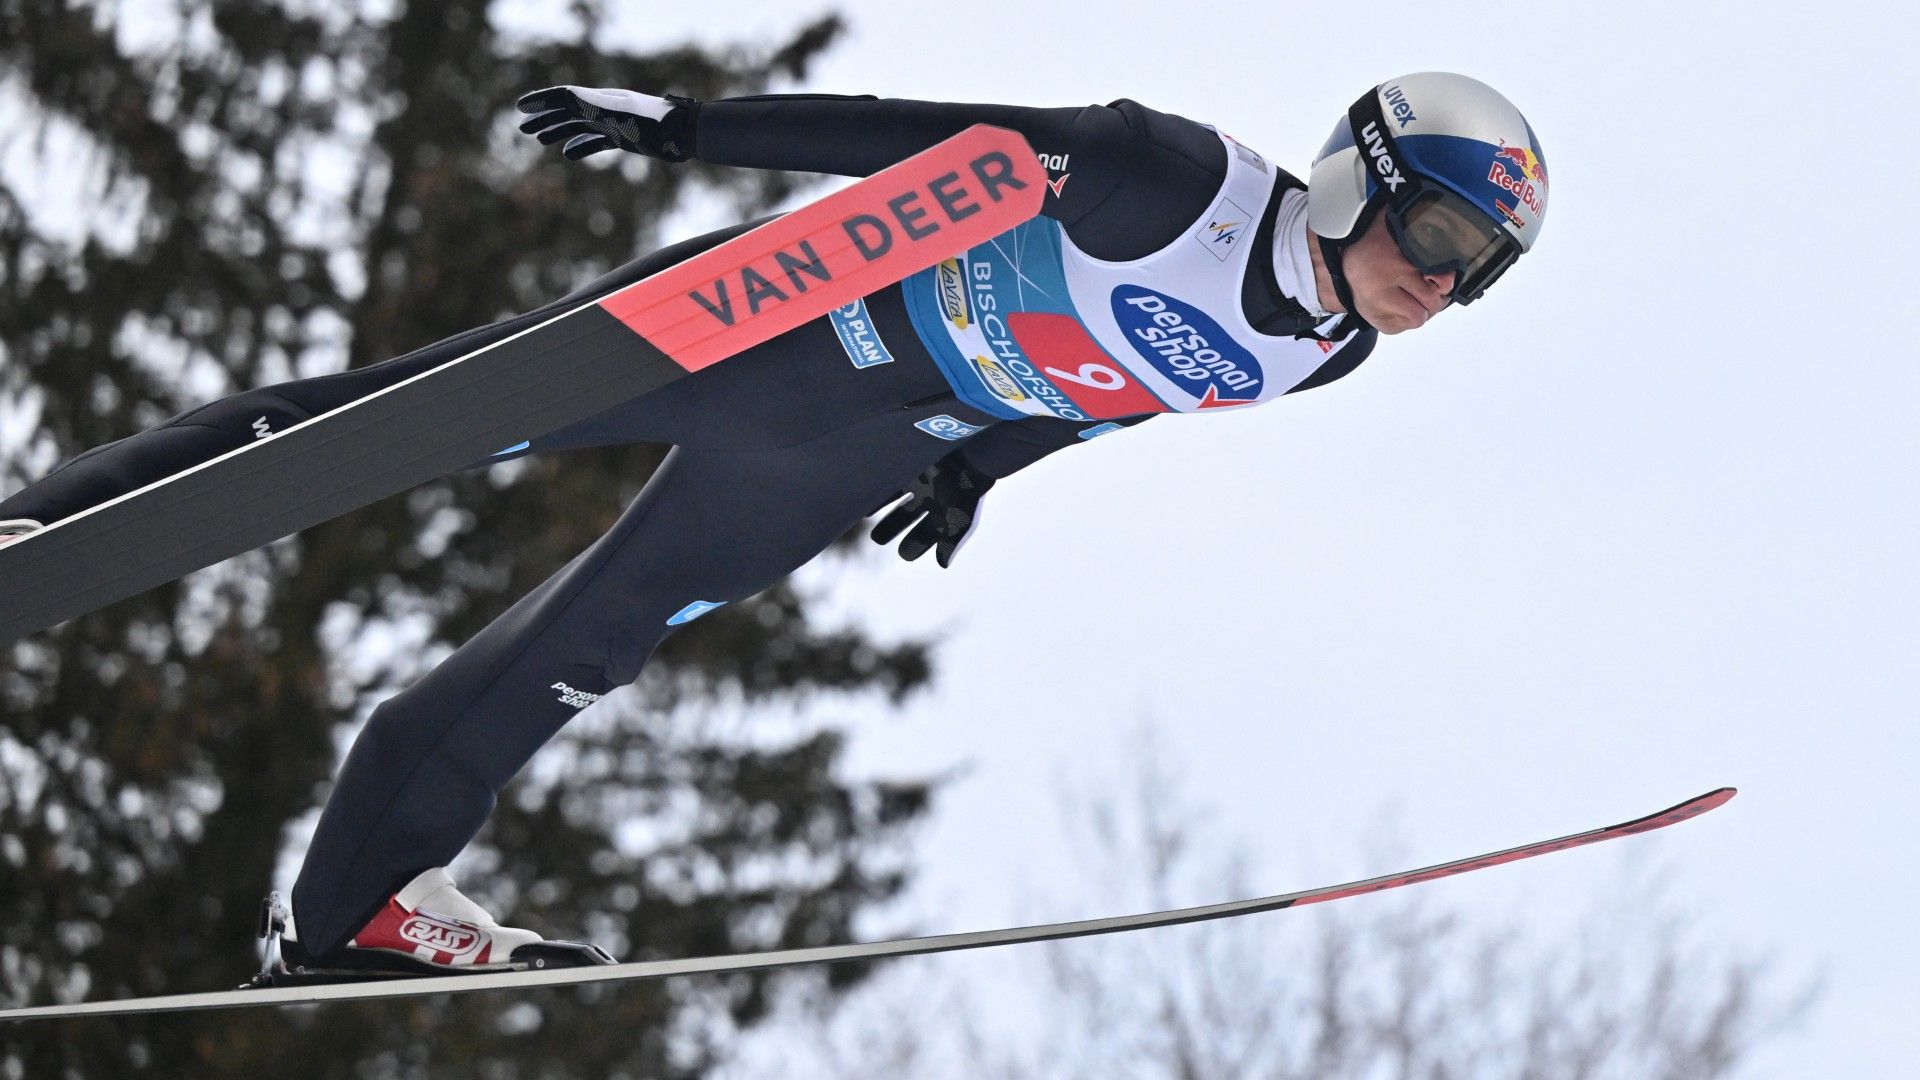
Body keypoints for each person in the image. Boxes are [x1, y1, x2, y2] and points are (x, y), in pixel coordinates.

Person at [0, 72, 1549, 977]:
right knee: (379, 416)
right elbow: (920, 138)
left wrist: (980, 467)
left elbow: (1123, 383)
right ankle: (39, 525)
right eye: (1436, 233)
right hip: (781, 330)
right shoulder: (1172, 178)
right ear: (1363, 176)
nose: (1441, 281)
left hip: (861, 442)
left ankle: (354, 908)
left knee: (584, 652)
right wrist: (687, 129)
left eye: (1477, 271)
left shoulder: (1324, 349)